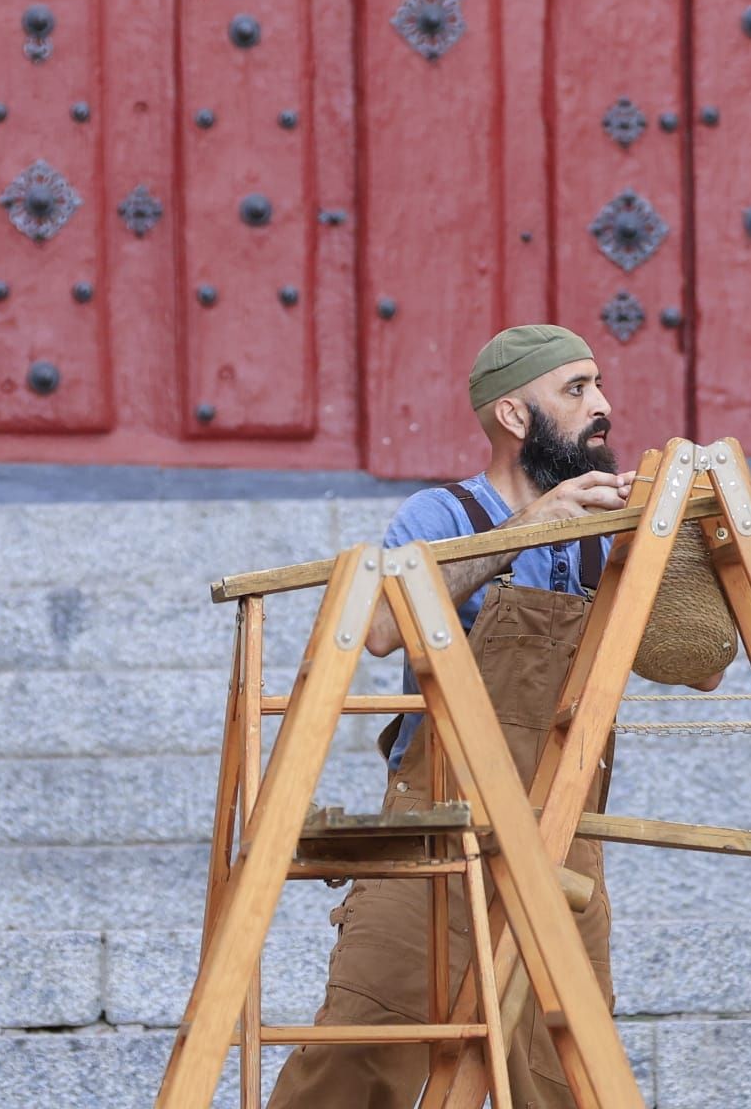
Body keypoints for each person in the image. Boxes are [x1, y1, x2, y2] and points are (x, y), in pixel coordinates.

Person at [267, 324, 711, 1108]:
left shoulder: (603, 534)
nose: (602, 406)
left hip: (563, 836)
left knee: (565, 1078)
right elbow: (377, 630)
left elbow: (699, 667)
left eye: (598, 386)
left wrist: (689, 545)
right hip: (437, 828)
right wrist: (525, 531)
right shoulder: (440, 512)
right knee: (361, 1053)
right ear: (513, 416)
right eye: (576, 390)